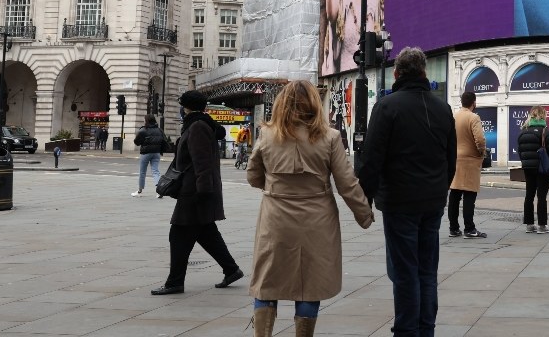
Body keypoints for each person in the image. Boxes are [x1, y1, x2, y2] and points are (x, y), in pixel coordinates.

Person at [245, 80, 374, 337]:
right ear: (315, 104)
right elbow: (346, 183)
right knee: (309, 284)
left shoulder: (267, 134)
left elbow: (252, 176)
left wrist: (276, 189)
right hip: (318, 219)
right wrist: (364, 215)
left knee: (267, 281)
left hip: (276, 218)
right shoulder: (330, 137)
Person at [358, 47, 456, 337]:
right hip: (432, 202)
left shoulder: (388, 107)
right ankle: (425, 329)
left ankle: (406, 330)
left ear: (397, 73)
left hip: (400, 201)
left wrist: (365, 198)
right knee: (427, 269)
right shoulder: (443, 108)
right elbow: (451, 159)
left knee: (404, 271)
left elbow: (372, 159)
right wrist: (441, 190)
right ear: (424, 73)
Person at [152, 90, 243, 296]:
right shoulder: (199, 124)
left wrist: (203, 191)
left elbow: (202, 162)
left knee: (178, 235)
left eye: (182, 105)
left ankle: (175, 282)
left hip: (195, 191)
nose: (181, 110)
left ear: (187, 107)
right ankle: (231, 269)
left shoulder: (198, 127)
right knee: (206, 232)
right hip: (197, 188)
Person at [448, 92, 488, 239]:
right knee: (470, 195)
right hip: (470, 160)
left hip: (455, 159)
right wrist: (481, 152)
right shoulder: (473, 117)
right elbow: (480, 139)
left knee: (455, 194)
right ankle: (469, 228)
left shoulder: (454, 116)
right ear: (474, 103)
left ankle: (453, 228)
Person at [516, 106, 549, 233]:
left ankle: (529, 224)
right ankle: (542, 225)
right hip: (542, 167)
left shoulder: (523, 131)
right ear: (543, 115)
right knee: (541, 196)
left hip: (528, 167)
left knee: (529, 194)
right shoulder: (545, 131)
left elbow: (520, 151)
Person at [132, 114, 165, 198]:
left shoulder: (143, 130)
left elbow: (136, 142)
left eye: (144, 119)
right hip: (156, 152)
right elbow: (163, 140)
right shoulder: (159, 130)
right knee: (155, 171)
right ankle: (159, 192)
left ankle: (140, 191)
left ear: (146, 121)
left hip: (146, 153)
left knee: (142, 172)